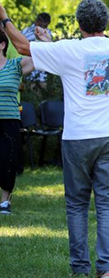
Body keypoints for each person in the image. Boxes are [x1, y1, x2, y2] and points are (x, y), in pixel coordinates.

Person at [0, 0, 109, 277]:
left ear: (79, 24)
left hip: (77, 137)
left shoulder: (68, 49)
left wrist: (3, 15)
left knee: (77, 204)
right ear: (105, 22)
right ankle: (107, 270)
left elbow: (22, 46)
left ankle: (80, 268)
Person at [0, 29, 36, 215]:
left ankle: (5, 201)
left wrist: (41, 41)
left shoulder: (14, 65)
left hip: (9, 121)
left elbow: (38, 58)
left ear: (2, 44)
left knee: (7, 160)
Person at [21, 12, 52, 85]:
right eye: (41, 22)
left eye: (45, 24)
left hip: (42, 73)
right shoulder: (26, 31)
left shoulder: (49, 33)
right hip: (28, 71)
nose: (43, 25)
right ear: (37, 21)